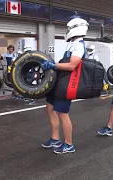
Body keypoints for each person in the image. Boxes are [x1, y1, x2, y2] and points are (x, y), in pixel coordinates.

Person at [40, 17, 88, 154]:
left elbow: (72, 65)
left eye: (69, 29)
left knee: (62, 113)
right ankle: (55, 138)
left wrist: (53, 65)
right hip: (61, 80)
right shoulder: (72, 43)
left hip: (68, 83)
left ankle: (68, 144)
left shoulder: (79, 45)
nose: (68, 31)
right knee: (50, 107)